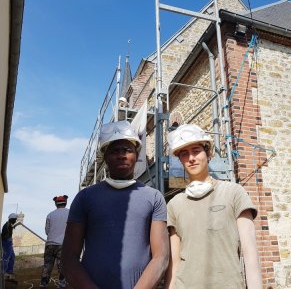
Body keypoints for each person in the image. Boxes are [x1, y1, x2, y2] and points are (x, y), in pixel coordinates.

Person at [62, 120, 169, 289]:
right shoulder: (85, 198)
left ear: (137, 154)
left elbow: (161, 257)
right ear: (105, 157)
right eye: (114, 151)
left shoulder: (154, 198)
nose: (121, 155)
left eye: (127, 150)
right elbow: (69, 258)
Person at [165, 124, 263, 289]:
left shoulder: (234, 193)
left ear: (208, 153)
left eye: (196, 151)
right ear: (180, 160)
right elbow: (174, 264)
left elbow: (250, 255)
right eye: (184, 154)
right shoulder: (174, 204)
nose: (191, 158)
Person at [40, 195, 69, 288]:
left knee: (47, 266)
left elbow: (47, 231)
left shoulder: (50, 215)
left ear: (56, 204)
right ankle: (61, 284)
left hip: (50, 245)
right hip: (62, 245)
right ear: (65, 202)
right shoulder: (70, 213)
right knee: (62, 266)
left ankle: (43, 284)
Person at [1, 213, 18, 280]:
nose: (15, 221)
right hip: (6, 243)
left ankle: (9, 271)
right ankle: (3, 272)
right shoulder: (7, 226)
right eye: (15, 219)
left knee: (12, 257)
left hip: (9, 243)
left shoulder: (9, 224)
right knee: (6, 258)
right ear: (12, 219)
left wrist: (12, 227)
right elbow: (4, 236)